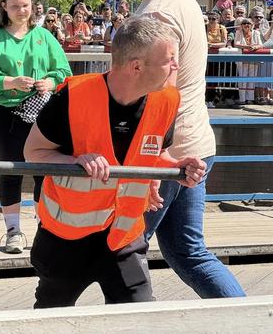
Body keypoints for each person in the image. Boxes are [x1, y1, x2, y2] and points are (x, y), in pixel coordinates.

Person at [24, 17, 206, 308]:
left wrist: (174, 167)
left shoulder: (167, 100)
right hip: (66, 239)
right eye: (170, 60)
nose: (177, 66)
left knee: (137, 317)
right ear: (136, 67)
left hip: (124, 237)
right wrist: (76, 160)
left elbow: (150, 152)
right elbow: (33, 152)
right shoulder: (72, 97)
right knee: (51, 320)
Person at [109, 0, 245, 298]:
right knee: (188, 252)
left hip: (168, 152)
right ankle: (247, 320)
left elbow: (159, 92)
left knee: (123, 248)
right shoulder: (180, 0)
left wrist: (155, 162)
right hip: (194, 145)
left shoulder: (160, 13)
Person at [0, 0, 71, 254]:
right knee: (11, 170)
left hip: (40, 110)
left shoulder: (44, 37)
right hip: (4, 113)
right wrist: (10, 81)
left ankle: (44, 227)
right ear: (4, 6)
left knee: (43, 171)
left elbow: (63, 71)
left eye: (25, 6)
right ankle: (13, 231)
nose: (21, 11)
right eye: (15, 6)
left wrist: (49, 83)